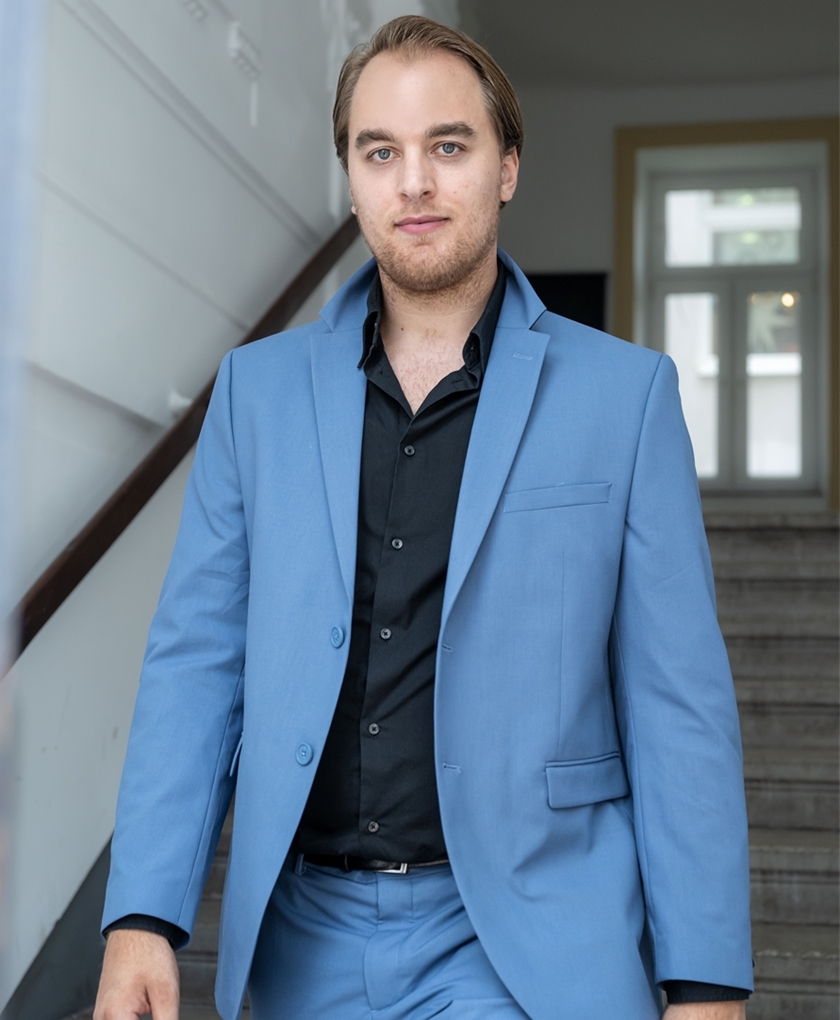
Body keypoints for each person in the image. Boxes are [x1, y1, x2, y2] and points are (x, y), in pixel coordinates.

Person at [94, 16, 753, 1020]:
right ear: (351, 177)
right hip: (302, 942)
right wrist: (143, 914)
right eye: (380, 152)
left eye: (448, 146)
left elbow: (679, 706)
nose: (413, 183)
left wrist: (705, 980)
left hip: (526, 940)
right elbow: (196, 664)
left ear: (507, 167)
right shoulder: (254, 394)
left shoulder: (627, 397)